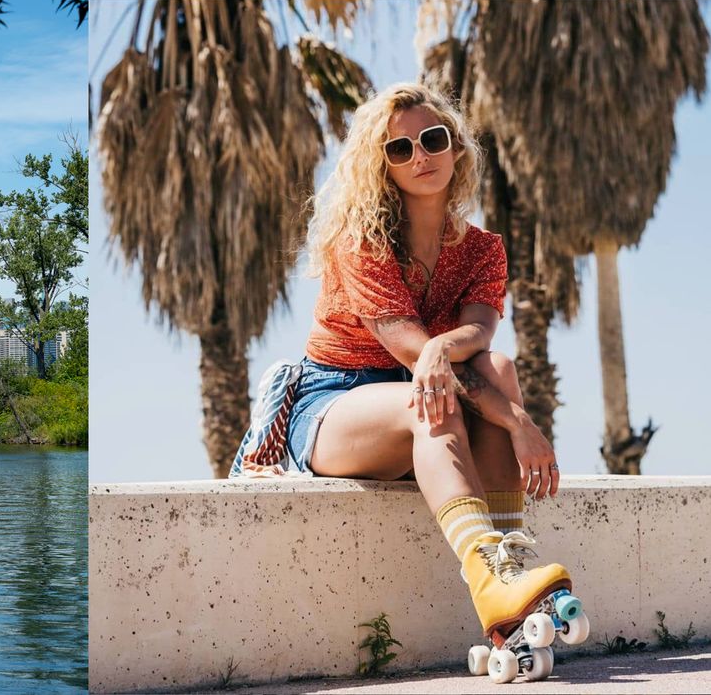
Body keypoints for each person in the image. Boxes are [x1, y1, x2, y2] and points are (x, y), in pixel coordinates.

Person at [229, 82, 582, 674]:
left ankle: (511, 579)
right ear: (383, 165)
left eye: (433, 139)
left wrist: (444, 347)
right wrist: (519, 421)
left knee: (494, 368)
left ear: (457, 148)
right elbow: (415, 352)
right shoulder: (360, 240)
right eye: (400, 149)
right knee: (434, 391)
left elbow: (477, 339)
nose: (421, 156)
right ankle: (490, 577)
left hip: (418, 388)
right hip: (333, 402)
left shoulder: (484, 250)